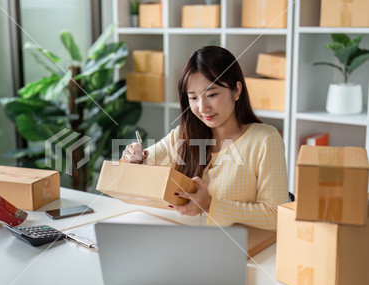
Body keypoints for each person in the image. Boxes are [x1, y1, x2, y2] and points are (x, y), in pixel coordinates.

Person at [121, 46, 289, 230]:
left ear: (236, 90)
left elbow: (275, 215)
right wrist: (134, 160)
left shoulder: (265, 140)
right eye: (193, 98)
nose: (202, 108)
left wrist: (210, 205)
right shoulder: (182, 136)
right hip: (186, 241)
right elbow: (143, 166)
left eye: (211, 95)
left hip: (240, 250)